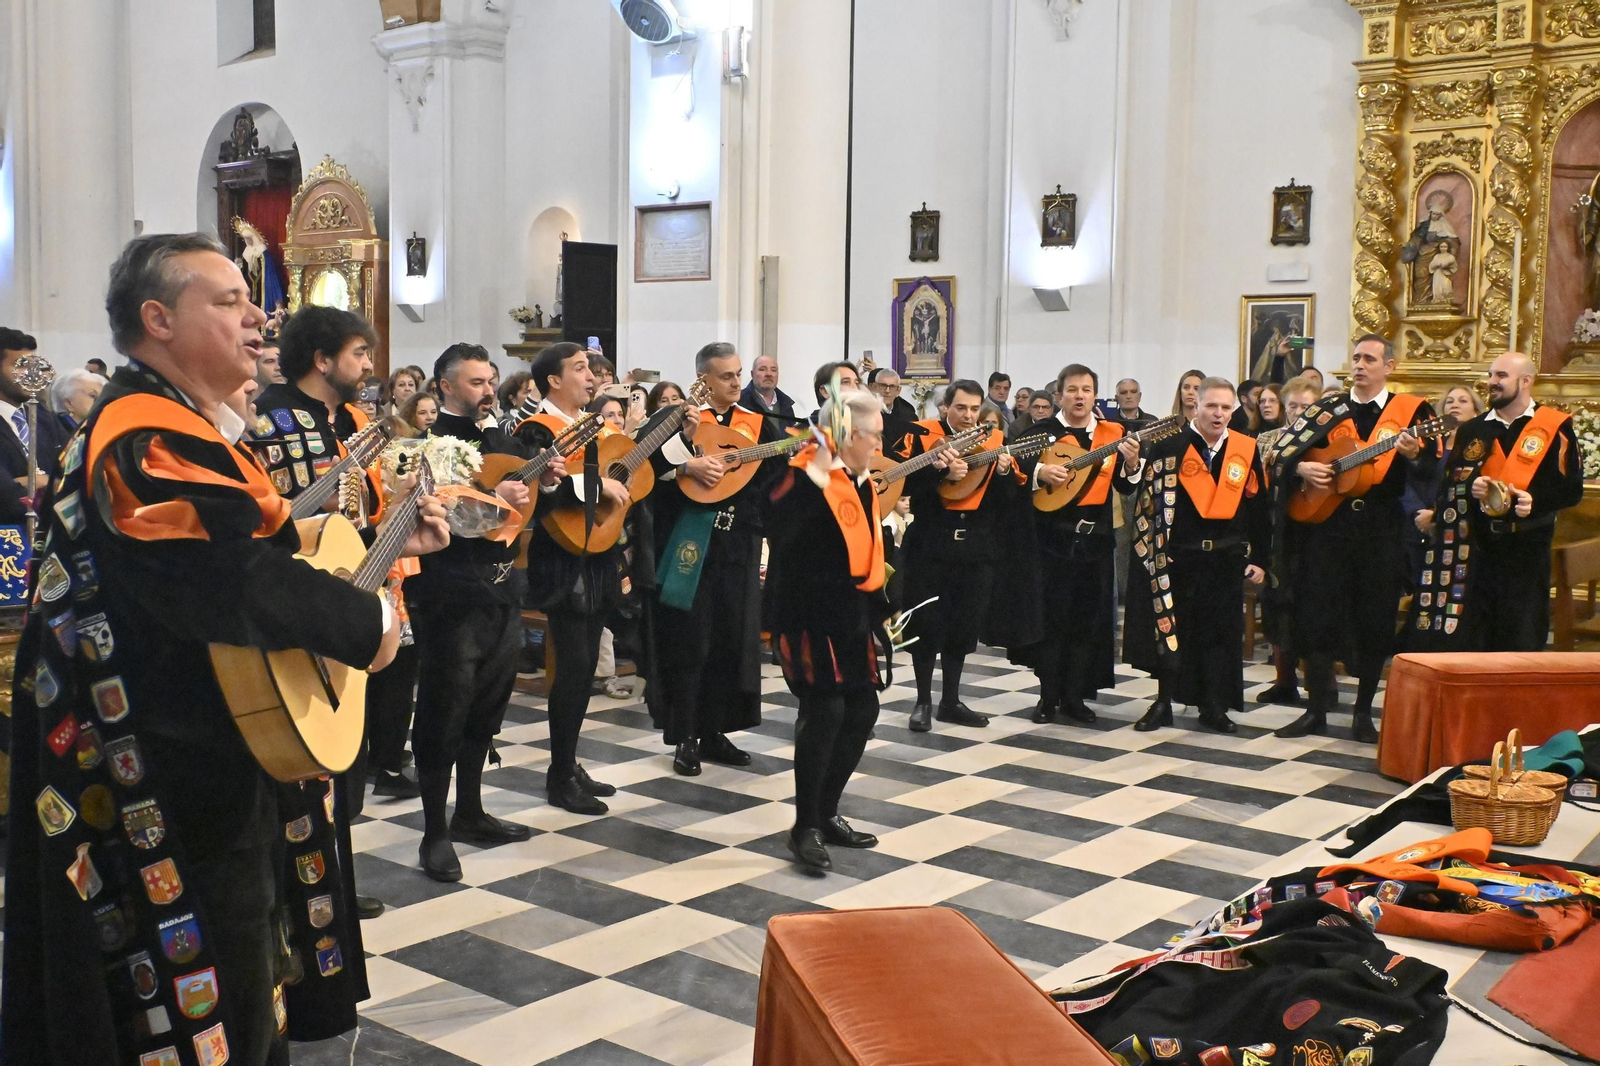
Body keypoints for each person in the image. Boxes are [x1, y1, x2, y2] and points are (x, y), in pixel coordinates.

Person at [2, 232, 446, 1065]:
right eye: (230, 301)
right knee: (207, 983)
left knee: (244, 976)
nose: (258, 317)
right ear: (158, 319)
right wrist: (371, 628)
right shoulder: (142, 433)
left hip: (205, 740)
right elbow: (231, 576)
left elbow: (255, 536)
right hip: (164, 763)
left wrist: (371, 534)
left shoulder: (181, 424)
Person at [409, 344, 557, 881]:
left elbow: (523, 502)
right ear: (445, 386)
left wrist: (544, 480)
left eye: (490, 380)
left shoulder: (501, 436)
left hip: (500, 590)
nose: (488, 390)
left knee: (487, 708)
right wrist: (494, 495)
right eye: (475, 382)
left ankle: (469, 811)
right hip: (449, 596)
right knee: (444, 712)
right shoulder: (426, 446)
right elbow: (442, 514)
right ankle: (433, 832)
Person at [1269, 334, 1433, 742]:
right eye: (1355, 356)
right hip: (1328, 527)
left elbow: (1432, 470)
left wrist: (1415, 456)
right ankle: (1315, 711)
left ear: (1388, 367)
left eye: (1369, 359)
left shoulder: (1413, 412)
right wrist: (1302, 471)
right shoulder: (1329, 408)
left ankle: (1363, 714)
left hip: (1380, 529)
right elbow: (1281, 453)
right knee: (1317, 614)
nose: (1359, 365)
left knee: (1375, 618)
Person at [512, 342, 640, 814]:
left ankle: (569, 761)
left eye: (592, 369)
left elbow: (616, 472)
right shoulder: (535, 428)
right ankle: (559, 773)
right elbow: (541, 489)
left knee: (586, 667)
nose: (592, 376)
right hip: (563, 556)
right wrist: (596, 485)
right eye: (581, 369)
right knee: (571, 667)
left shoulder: (593, 426)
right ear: (553, 381)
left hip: (599, 551)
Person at [766, 388, 889, 872]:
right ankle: (805, 827)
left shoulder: (861, 479)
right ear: (847, 434)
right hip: (806, 615)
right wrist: (819, 461)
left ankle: (827, 810)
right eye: (875, 436)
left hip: (851, 614)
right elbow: (775, 518)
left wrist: (878, 612)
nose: (879, 445)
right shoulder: (800, 475)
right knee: (826, 711)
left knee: (863, 708)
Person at [650, 342, 781, 775]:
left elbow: (778, 476)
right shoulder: (678, 418)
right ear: (703, 379)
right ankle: (685, 735)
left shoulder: (756, 425)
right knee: (691, 641)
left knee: (731, 638)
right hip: (691, 546)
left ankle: (717, 731)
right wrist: (685, 467)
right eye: (727, 376)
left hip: (737, 545)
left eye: (739, 373)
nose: (737, 382)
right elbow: (644, 469)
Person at [1411, 353, 1585, 652]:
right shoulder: (1473, 429)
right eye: (1491, 375)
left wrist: (1535, 501)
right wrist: (1470, 486)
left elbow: (1571, 490)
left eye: (1501, 376)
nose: (1492, 382)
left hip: (1528, 551)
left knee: (1521, 640)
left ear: (1526, 381)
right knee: (1476, 643)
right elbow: (1448, 487)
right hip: (1477, 552)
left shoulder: (1555, 427)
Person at [1128, 378, 1269, 734]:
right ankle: (1163, 702)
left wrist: (1261, 558)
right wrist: (1157, 550)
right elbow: (1148, 505)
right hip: (1177, 559)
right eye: (1211, 406)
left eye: (1225, 408)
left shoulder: (1245, 449)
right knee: (1171, 633)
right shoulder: (1169, 446)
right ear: (1196, 405)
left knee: (1218, 635)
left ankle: (1213, 705)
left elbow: (1259, 508)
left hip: (1225, 559)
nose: (1219, 414)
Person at [1012, 365, 1141, 725]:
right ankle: (1047, 696)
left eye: (1086, 390)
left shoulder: (1113, 434)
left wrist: (1131, 464)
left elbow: (1127, 486)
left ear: (1095, 396)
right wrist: (1040, 474)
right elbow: (1015, 471)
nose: (1079, 396)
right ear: (1059, 396)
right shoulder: (1041, 433)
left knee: (1087, 622)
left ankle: (1075, 696)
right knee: (1052, 620)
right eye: (1072, 390)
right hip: (1051, 540)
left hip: (1095, 542)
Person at [896, 379, 1023, 731]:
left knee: (963, 624)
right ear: (945, 408)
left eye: (973, 408)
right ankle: (922, 701)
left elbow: (1007, 502)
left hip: (976, 547)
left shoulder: (994, 439)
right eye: (961, 407)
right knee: (925, 624)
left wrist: (1003, 474)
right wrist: (938, 471)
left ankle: (950, 701)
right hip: (930, 544)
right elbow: (902, 484)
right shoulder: (922, 434)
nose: (968, 415)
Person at [1255, 376, 1322, 707]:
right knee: (1277, 603)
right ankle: (1284, 680)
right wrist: (1299, 466)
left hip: (1315, 532)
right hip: (1277, 529)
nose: (1298, 413)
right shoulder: (1270, 437)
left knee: (1313, 607)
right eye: (1292, 406)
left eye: (1305, 406)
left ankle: (1320, 684)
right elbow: (1268, 462)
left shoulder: (1325, 440)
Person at [1401, 385, 1481, 590]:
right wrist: (1418, 512)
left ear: (1476, 411)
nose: (1455, 405)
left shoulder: (1478, 446)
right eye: (1450, 401)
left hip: (1457, 528)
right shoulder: (1428, 442)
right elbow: (1405, 479)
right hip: (1417, 525)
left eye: (1463, 401)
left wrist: (1436, 515)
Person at [0, 328, 72, 519]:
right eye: (20, 366)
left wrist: (32, 483)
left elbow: (75, 478)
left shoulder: (47, 420)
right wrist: (49, 485)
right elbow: (6, 499)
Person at [741, 353, 797, 419]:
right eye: (762, 369)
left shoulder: (786, 407)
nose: (769, 374)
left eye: (773, 370)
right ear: (752, 374)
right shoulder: (740, 403)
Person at [48, 367, 104, 432]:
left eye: (102, 396)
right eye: (93, 396)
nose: (100, 402)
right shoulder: (52, 430)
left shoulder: (97, 430)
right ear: (69, 403)